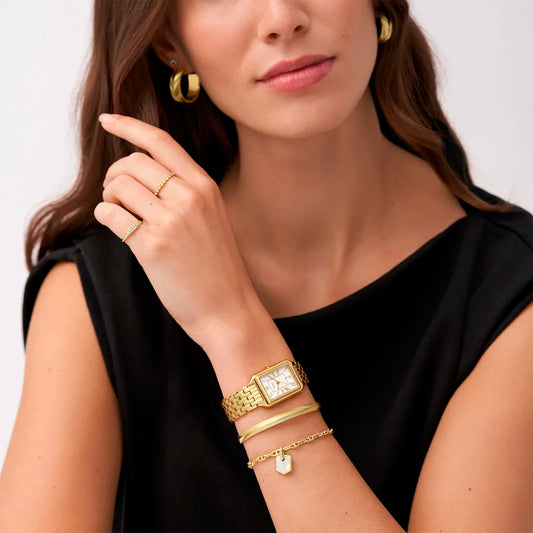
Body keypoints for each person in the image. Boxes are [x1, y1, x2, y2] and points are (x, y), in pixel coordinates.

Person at [1, 0, 532, 531]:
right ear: (169, 44)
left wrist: (231, 325)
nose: (282, 19)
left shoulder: (512, 291)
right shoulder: (95, 291)